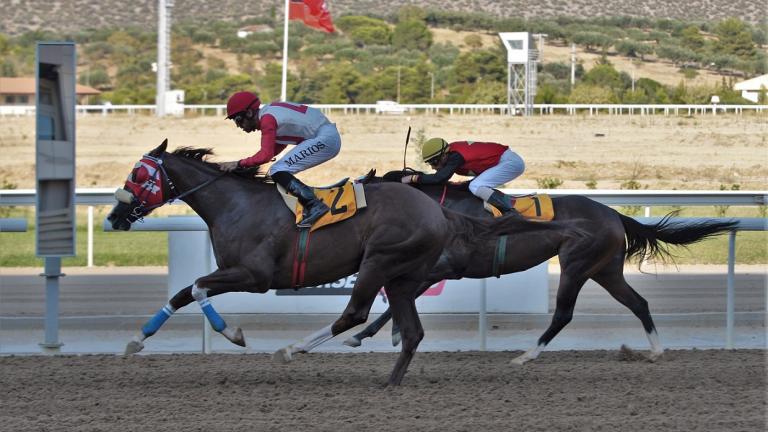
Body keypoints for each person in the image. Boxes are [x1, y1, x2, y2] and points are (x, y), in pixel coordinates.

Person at [219, 91, 341, 227]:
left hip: (325, 139)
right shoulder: (269, 113)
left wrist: (238, 164)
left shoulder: (267, 120)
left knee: (277, 169)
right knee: (278, 169)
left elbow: (265, 155)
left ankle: (314, 205)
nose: (239, 126)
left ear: (248, 113)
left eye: (238, 120)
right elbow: (274, 148)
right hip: (325, 135)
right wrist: (248, 164)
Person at [401, 138, 525, 214]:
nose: (433, 167)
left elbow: (439, 178)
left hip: (510, 162)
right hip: (503, 161)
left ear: (444, 155)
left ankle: (509, 211)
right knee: (471, 186)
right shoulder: (452, 155)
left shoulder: (455, 156)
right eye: (430, 163)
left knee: (476, 186)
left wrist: (414, 178)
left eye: (434, 162)